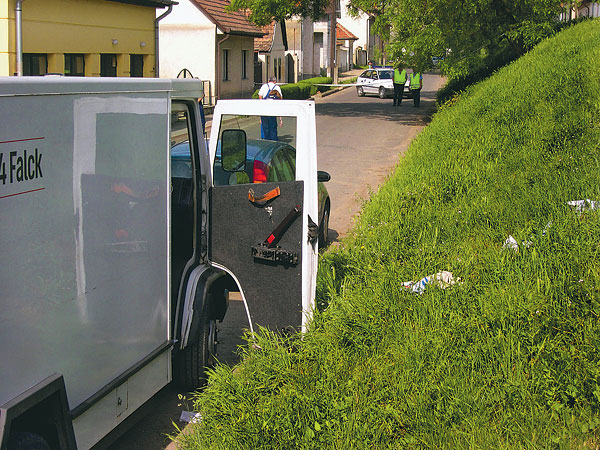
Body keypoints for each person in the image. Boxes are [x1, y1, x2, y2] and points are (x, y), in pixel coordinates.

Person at [258, 76, 283, 141]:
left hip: (264, 109)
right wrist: (280, 117)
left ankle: (264, 140)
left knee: (264, 126)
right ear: (275, 81)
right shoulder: (277, 87)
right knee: (272, 126)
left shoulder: (264, 86)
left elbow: (260, 95)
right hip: (273, 109)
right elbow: (280, 99)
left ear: (269, 81)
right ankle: (273, 140)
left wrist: (262, 105)